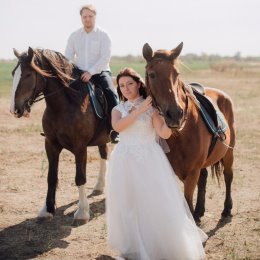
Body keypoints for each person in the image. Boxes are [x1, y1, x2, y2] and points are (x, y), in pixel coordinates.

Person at [106, 68, 208, 260]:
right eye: (122, 85)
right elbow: (119, 127)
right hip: (124, 159)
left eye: (130, 84)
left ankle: (156, 245)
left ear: (138, 84)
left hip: (149, 158)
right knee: (127, 203)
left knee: (152, 202)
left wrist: (173, 124)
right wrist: (140, 110)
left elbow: (163, 133)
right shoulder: (117, 109)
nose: (126, 88)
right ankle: (132, 246)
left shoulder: (153, 110)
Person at [65, 4, 119, 143]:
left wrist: (91, 72)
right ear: (81, 18)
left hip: (100, 72)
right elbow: (68, 57)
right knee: (60, 92)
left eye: (90, 16)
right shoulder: (74, 36)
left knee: (111, 93)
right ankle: (57, 128)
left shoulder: (103, 35)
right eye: (85, 17)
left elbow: (105, 57)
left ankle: (115, 130)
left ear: (95, 17)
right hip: (79, 73)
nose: (87, 19)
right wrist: (75, 71)